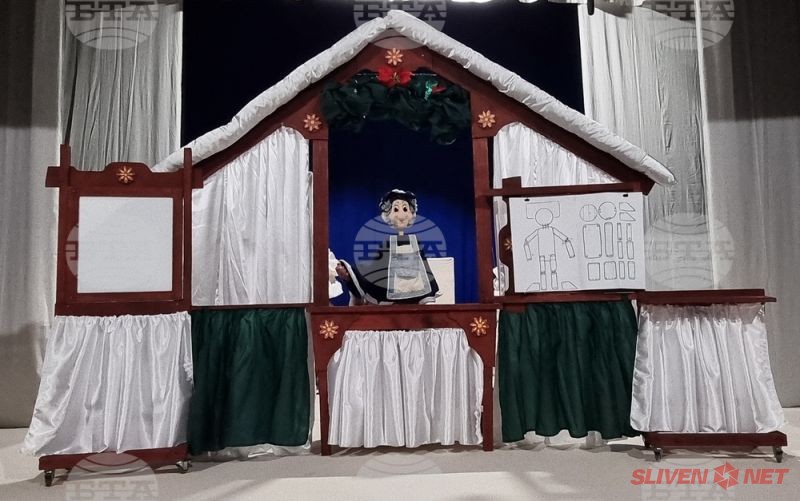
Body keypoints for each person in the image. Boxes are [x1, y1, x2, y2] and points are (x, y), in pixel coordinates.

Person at [336, 189, 439, 305]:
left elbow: (424, 268)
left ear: (412, 213)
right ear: (388, 215)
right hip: (391, 293)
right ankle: (352, 276)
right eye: (396, 209)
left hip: (417, 290)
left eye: (405, 209)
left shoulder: (416, 242)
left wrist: (430, 289)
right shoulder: (387, 244)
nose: (401, 215)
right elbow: (378, 268)